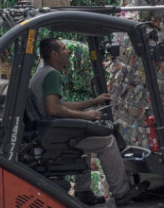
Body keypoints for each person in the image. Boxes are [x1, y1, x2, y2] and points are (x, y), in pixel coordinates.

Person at [30, 37, 137, 206]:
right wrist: (87, 116)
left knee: (85, 142)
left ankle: (83, 192)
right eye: (64, 49)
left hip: (51, 131)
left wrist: (92, 102)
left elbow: (61, 105)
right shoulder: (52, 74)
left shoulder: (41, 73)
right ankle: (122, 192)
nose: (69, 52)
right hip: (55, 133)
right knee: (107, 142)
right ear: (54, 54)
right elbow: (53, 109)